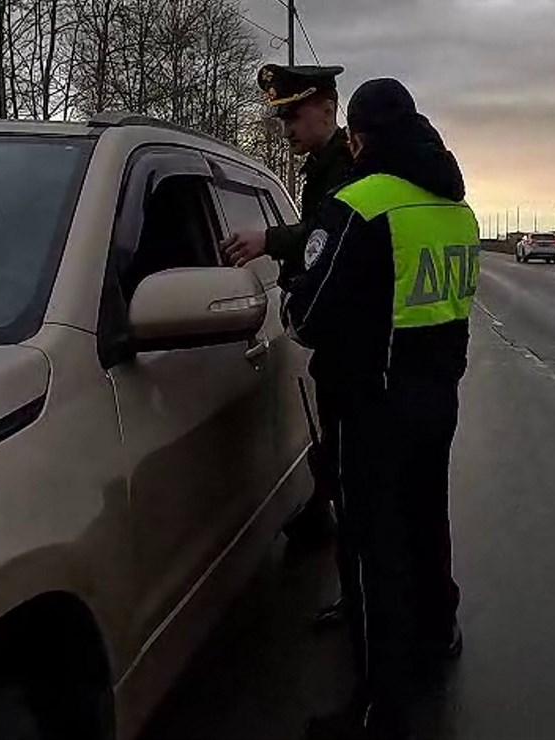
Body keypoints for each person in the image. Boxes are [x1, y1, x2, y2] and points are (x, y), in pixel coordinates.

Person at [284, 77, 477, 740]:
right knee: (428, 520)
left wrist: (294, 301)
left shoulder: (360, 204)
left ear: (360, 138)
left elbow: (309, 315)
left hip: (374, 405)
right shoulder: (457, 209)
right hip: (438, 398)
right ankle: (439, 632)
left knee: (373, 552)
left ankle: (380, 709)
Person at [222, 62, 357, 623]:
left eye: (295, 116)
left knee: (354, 473)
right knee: (337, 458)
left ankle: (362, 605)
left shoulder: (347, 167)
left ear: (327, 108)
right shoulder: (324, 166)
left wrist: (269, 240)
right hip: (335, 341)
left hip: (352, 346)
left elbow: (332, 234)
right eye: (282, 120)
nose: (287, 130)